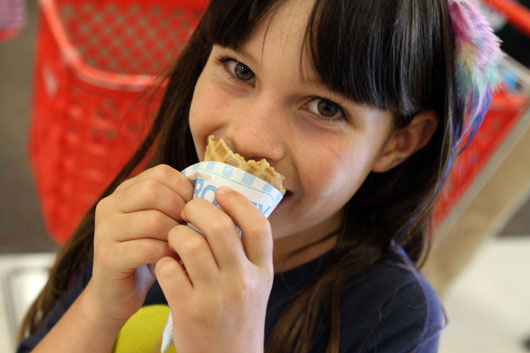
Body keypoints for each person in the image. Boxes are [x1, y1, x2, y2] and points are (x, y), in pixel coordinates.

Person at [17, 0, 501, 352]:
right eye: (239, 70)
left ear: (399, 142)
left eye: (325, 107)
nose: (249, 139)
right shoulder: (148, 221)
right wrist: (102, 304)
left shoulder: (394, 318)